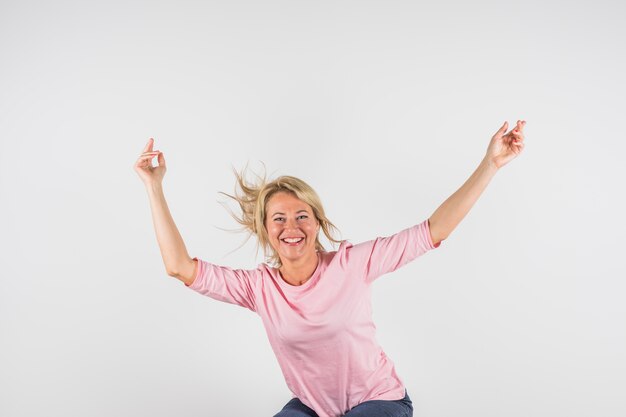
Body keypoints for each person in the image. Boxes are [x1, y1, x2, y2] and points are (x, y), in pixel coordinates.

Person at [133, 120, 526, 417]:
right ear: (266, 230)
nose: (291, 228)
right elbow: (179, 266)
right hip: (314, 409)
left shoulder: (353, 263)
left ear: (317, 222)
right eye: (279, 219)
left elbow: (434, 230)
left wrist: (489, 165)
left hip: (379, 401)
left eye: (302, 216)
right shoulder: (258, 288)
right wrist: (154, 186)